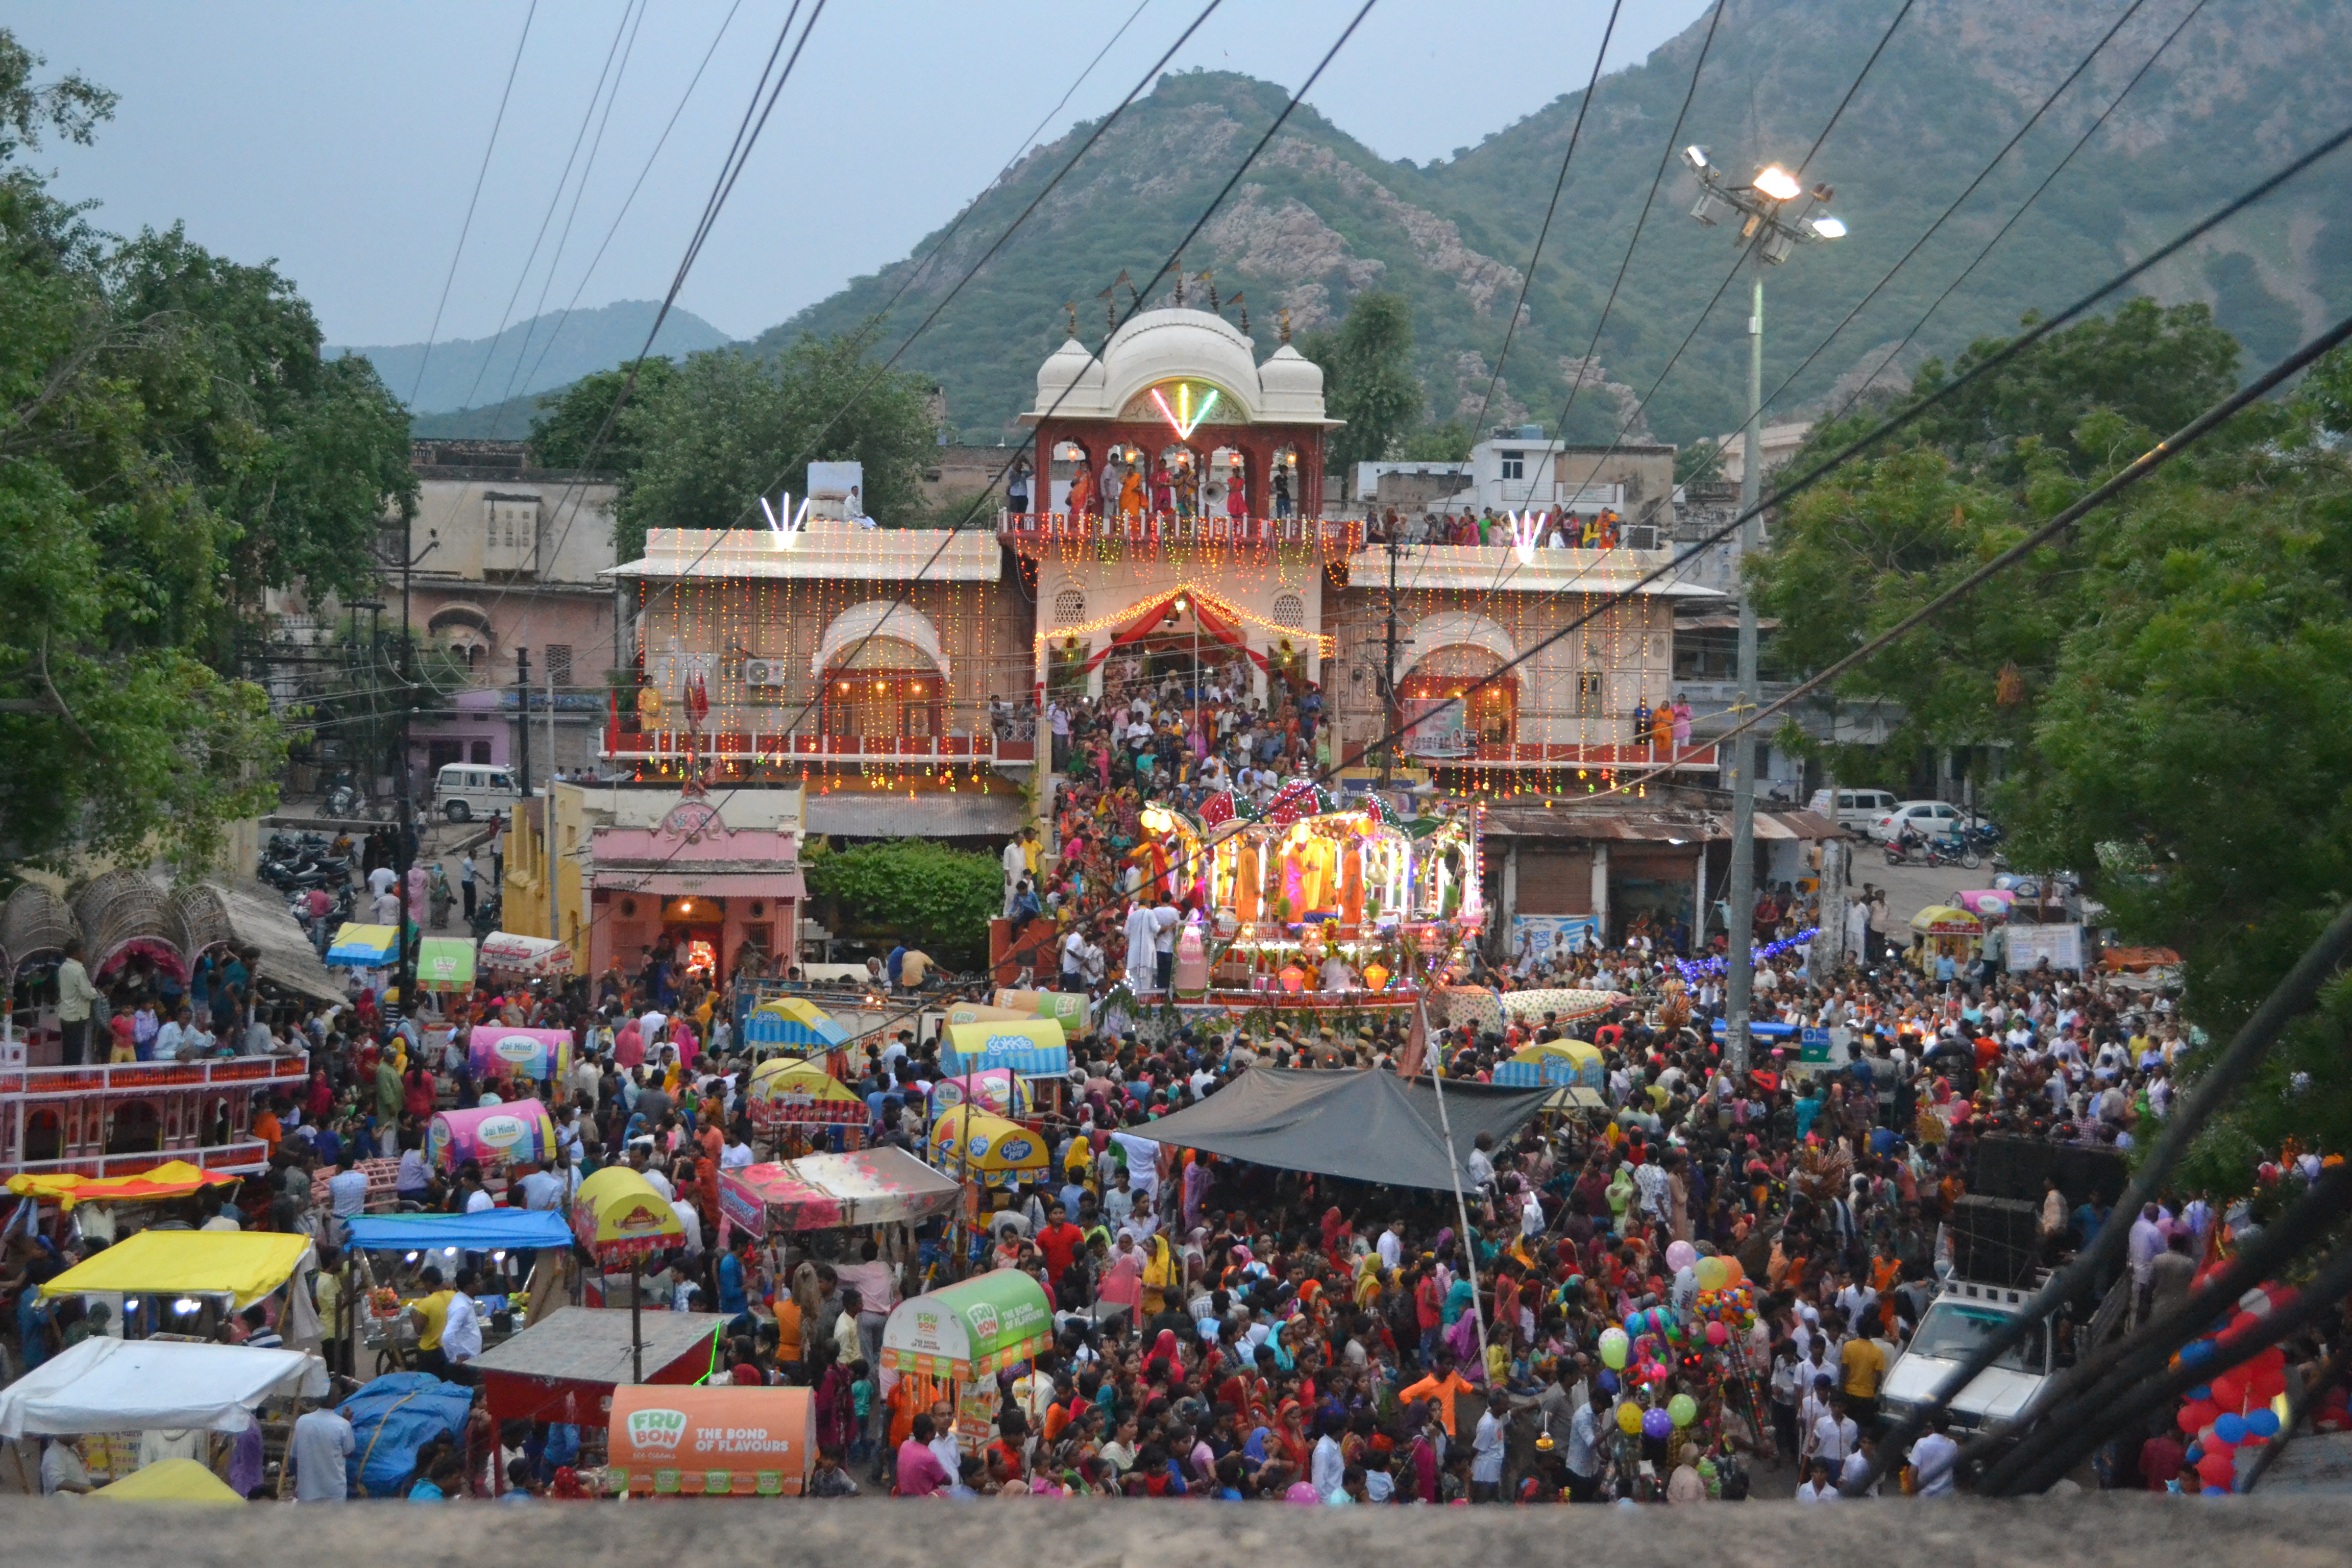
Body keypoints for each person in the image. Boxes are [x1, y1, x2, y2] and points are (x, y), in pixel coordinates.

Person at [290, 1401, 355, 1502]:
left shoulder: (302, 1421)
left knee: (307, 1517)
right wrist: (346, 1420)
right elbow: (348, 1453)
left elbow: (295, 1458)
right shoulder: (343, 1425)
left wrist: (297, 1484)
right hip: (334, 1492)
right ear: (336, 1403)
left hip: (307, 1492)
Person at [55, 939, 96, 1066]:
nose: (84, 954)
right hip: (77, 1015)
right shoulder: (79, 970)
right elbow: (87, 993)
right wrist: (95, 992)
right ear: (76, 953)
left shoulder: (63, 967)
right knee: (76, 1051)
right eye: (83, 951)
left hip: (66, 1013)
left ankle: (67, 1078)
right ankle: (74, 1081)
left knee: (67, 1049)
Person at [1907, 1410, 1959, 1497]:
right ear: (1947, 1428)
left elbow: (1913, 1471)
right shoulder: (1952, 1445)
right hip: (1945, 1494)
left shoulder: (1921, 1444)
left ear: (1932, 1425)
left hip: (1925, 1494)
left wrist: (1912, 1489)